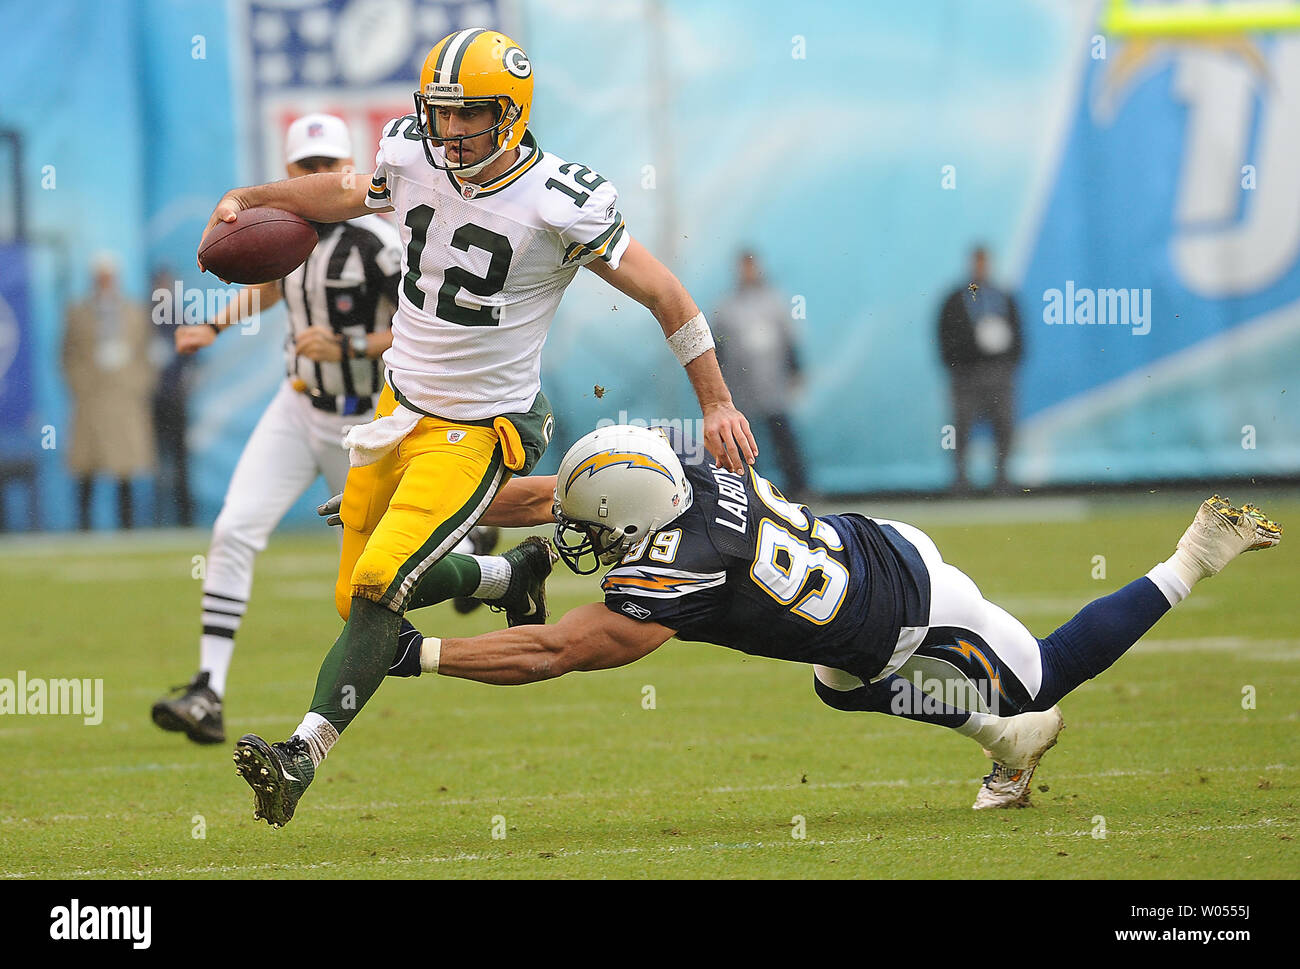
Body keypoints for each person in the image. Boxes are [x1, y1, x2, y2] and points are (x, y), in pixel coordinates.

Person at [216, 28, 757, 819]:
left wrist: (715, 400)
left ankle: (301, 753)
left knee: (378, 583)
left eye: (467, 114)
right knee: (352, 592)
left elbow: (667, 297)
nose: (449, 130)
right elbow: (341, 194)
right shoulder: (410, 154)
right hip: (395, 408)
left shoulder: (560, 200)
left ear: (510, 113)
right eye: (439, 113)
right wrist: (255, 198)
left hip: (481, 426)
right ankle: (511, 573)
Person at [263, 424, 1280, 826]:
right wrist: (437, 513)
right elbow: (552, 492)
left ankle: (1191, 555)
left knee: (1043, 675)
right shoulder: (684, 474)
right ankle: (1000, 743)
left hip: (912, 613)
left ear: (629, 524)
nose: (577, 534)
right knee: (833, 686)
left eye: (592, 530)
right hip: (870, 555)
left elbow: (556, 652)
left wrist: (425, 653)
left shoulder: (675, 574)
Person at [154, 113, 489, 745]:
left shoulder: (381, 243)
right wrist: (217, 325)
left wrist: (351, 344)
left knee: (391, 563)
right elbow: (274, 286)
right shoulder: (286, 233)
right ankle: (208, 690)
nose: (315, 177)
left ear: (346, 169)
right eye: (304, 168)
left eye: (326, 166)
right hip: (296, 404)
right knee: (233, 529)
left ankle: (497, 569)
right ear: (289, 172)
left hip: (367, 422)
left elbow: (429, 324)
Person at [61, 252, 157, 530]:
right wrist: (80, 384)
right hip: (92, 395)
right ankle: (84, 527)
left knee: (124, 466)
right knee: (86, 466)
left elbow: (146, 354)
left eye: (109, 277)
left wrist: (138, 383)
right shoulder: (78, 312)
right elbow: (66, 354)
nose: (105, 282)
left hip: (124, 395)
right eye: (100, 277)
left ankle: (126, 527)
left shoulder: (134, 312)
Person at [712, 249, 807, 498]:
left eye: (752, 266)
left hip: (773, 381)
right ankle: (745, 488)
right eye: (743, 267)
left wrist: (795, 370)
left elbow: (789, 339)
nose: (748, 272)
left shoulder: (775, 301)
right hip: (740, 385)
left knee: (782, 435)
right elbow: (718, 346)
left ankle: (798, 488)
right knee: (742, 437)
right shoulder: (727, 305)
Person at [937, 245, 1023, 493]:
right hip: (966, 375)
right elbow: (944, 334)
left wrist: (1008, 365)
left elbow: (1019, 334)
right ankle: (960, 480)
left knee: (1004, 426)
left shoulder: (1002, 296)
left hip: (998, 373)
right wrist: (957, 365)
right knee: (961, 428)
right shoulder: (956, 298)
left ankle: (1002, 478)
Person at [148, 265, 196, 528]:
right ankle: (157, 519)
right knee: (154, 460)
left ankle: (184, 517)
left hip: (175, 399)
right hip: (151, 398)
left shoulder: (181, 316)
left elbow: (192, 360)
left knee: (179, 460)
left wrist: (183, 385)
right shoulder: (147, 317)